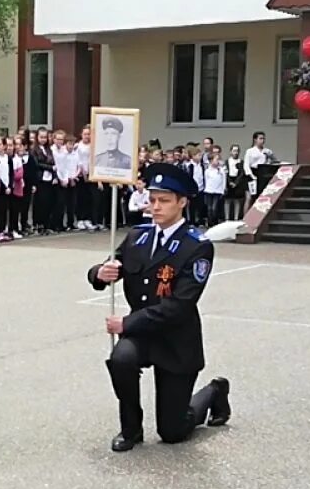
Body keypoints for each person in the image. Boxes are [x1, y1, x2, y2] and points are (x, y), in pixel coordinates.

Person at [86, 162, 231, 451]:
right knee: (121, 359)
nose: (155, 207)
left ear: (182, 202)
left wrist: (126, 324)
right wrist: (100, 273)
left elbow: (180, 305)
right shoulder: (137, 236)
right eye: (152, 200)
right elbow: (110, 266)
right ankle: (131, 428)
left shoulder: (197, 245)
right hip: (142, 334)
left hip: (176, 338)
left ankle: (214, 392)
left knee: (172, 431)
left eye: (164, 200)